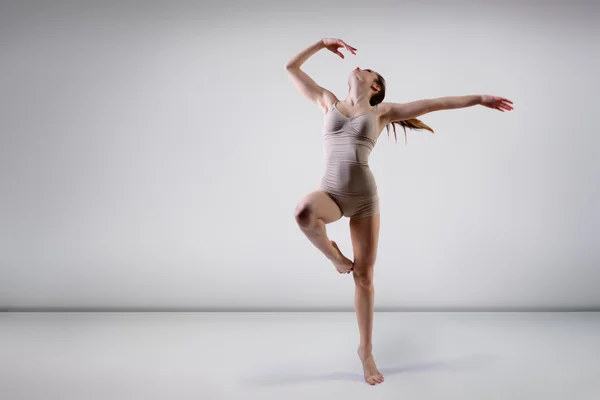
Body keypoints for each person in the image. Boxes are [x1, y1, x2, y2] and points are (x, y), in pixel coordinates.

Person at [285, 37, 513, 386]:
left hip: (363, 201)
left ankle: (366, 351)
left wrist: (480, 99)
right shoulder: (327, 101)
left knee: (364, 278)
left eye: (367, 70)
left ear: (374, 86)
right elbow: (291, 68)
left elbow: (434, 103)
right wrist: (320, 43)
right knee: (303, 211)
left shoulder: (382, 112)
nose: (358, 67)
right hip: (329, 194)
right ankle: (333, 256)